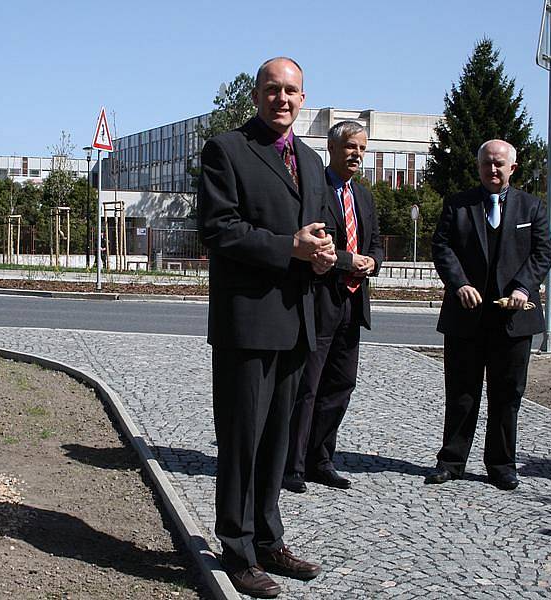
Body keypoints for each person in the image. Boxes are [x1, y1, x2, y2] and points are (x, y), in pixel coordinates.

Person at [198, 56, 336, 598]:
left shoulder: (308, 158)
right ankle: (236, 547)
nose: (283, 99)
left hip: (296, 321)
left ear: (304, 99)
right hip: (247, 325)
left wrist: (323, 257)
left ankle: (268, 539)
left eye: (292, 91)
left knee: (277, 442)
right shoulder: (227, 150)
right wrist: (290, 249)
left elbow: (315, 234)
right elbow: (219, 229)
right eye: (273, 89)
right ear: (256, 94)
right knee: (241, 441)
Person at [425, 139, 551, 491]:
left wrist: (523, 288)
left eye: (499, 164)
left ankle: (501, 464)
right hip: (466, 316)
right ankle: (451, 461)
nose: (492, 170)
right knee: (461, 393)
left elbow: (543, 253)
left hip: (514, 319)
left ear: (513, 167)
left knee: (506, 394)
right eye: (486, 164)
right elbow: (442, 247)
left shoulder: (533, 207)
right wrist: (459, 284)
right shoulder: (458, 205)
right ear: (478, 166)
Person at [284, 121, 383, 493]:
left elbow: (374, 245)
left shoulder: (364, 196)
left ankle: (320, 459)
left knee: (341, 385)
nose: (356, 154)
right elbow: (316, 244)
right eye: (350, 147)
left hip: (354, 304)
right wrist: (347, 261)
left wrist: (372, 262)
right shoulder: (314, 191)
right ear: (332, 147)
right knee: (307, 386)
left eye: (361, 148)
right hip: (320, 300)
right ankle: (291, 465)